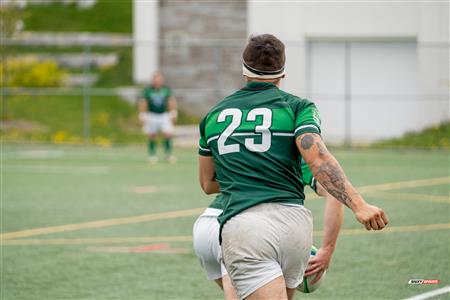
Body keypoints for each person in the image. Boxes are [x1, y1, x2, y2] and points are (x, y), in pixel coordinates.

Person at [198, 34, 388, 300]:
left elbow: (208, 183)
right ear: (283, 72)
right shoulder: (299, 107)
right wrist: (360, 205)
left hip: (245, 225)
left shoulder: (213, 116)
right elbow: (317, 158)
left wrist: (249, 173)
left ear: (243, 69)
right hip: (294, 227)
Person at [193, 161, 343, 299]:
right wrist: (327, 249)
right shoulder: (294, 153)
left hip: (205, 227)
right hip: (240, 227)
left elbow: (208, 184)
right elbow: (334, 192)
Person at [139, 71, 177, 164]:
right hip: (152, 115)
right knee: (152, 135)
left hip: (163, 115)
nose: (157, 80)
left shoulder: (166, 89)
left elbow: (170, 101)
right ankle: (152, 155)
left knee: (168, 134)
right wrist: (142, 114)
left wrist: (173, 112)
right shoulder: (148, 90)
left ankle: (168, 155)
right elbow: (143, 102)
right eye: (155, 78)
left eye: (159, 78)